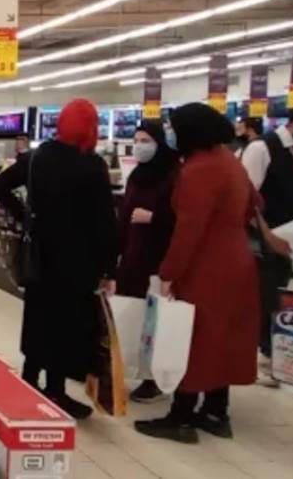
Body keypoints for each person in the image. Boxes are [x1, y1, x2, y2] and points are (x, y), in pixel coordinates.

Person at [134, 103, 263, 443]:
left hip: (207, 265)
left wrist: (169, 272)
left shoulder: (199, 170)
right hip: (236, 260)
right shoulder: (228, 161)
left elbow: (189, 230)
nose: (170, 133)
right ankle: (216, 411)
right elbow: (255, 205)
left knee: (191, 338)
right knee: (221, 338)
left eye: (173, 127)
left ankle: (181, 417)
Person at [20, 99, 117, 419]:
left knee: (38, 319)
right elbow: (104, 222)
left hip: (40, 256)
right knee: (65, 325)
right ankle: (55, 390)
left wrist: (26, 219)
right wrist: (109, 267)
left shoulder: (37, 157)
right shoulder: (92, 165)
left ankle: (28, 380)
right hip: (78, 261)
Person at [116, 120, 179, 403]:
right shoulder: (137, 176)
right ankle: (132, 368)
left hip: (157, 258)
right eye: (137, 140)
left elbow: (182, 218)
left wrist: (155, 218)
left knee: (154, 321)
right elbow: (124, 215)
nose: (140, 146)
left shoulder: (172, 176)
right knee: (133, 315)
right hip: (133, 256)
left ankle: (152, 379)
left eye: (146, 141)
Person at [239, 110, 293, 385]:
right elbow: (246, 200)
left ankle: (270, 353)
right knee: (262, 295)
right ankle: (258, 356)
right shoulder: (261, 148)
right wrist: (267, 236)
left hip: (289, 239)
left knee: (277, 293)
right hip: (261, 240)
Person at [0, 132, 32, 222]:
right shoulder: (31, 158)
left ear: (27, 141)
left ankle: (24, 218)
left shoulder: (28, 160)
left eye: (22, 140)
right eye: (18, 140)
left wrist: (21, 215)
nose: (18, 142)